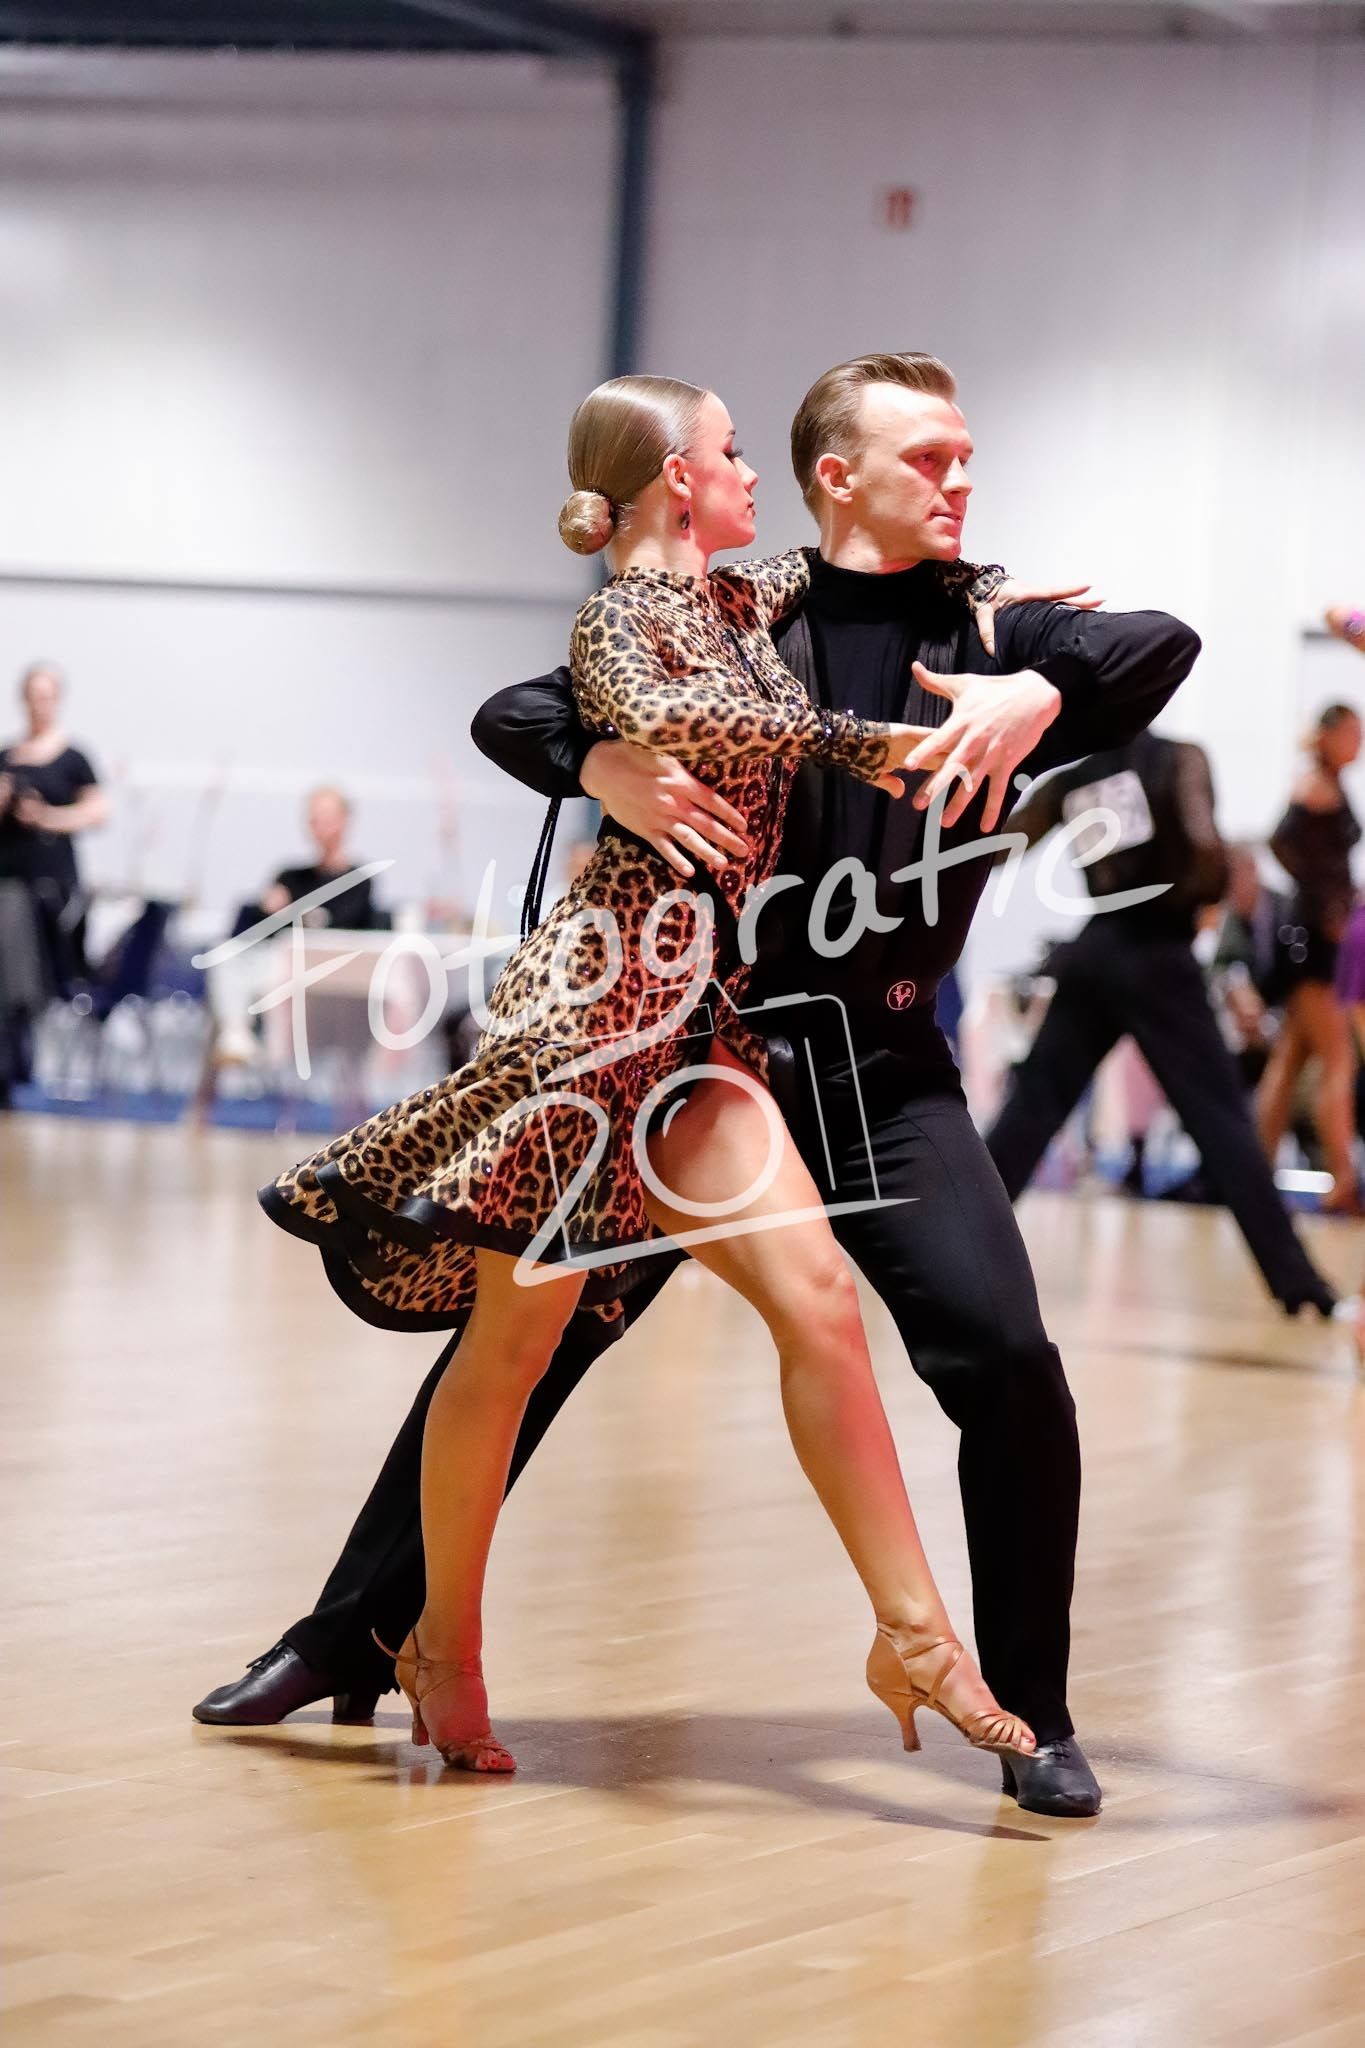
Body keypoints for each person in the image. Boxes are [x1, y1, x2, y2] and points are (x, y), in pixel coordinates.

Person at [196, 349, 1200, 1819]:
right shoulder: (742, 606)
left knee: (1006, 1358)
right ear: (834, 475)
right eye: (929, 456)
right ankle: (350, 1634)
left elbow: (1161, 643)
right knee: (523, 1341)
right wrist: (599, 763)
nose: (961, 479)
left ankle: (1031, 1707)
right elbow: (517, 709)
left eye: (965, 455)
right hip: (690, 1050)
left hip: (883, 1073)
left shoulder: (990, 625)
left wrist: (1036, 693)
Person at [983, 732, 1340, 1318]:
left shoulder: (1076, 776)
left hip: (1096, 951)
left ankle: (953, 1246)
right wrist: (1206, 894)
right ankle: (1298, 1282)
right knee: (1223, 1122)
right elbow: (1205, 852)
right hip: (1160, 956)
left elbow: (998, 846)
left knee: (1029, 1114)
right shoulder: (1180, 758)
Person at [1254, 703, 1362, 1214]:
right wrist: (1326, 906)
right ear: (1330, 735)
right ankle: (1343, 1181)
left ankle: (1254, 1174)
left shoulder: (1328, 783)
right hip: (1310, 941)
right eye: (1353, 733)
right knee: (1338, 1059)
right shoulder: (1314, 785)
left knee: (1290, 1060)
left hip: (1313, 936)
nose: (1359, 743)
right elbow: (1281, 842)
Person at [0, 662, 109, 994]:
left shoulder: (73, 758)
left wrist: (45, 816)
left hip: (53, 885)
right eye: (33, 697)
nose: (39, 705)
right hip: (9, 881)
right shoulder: (7, 757)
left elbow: (98, 813)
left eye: (46, 697)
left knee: (49, 968)